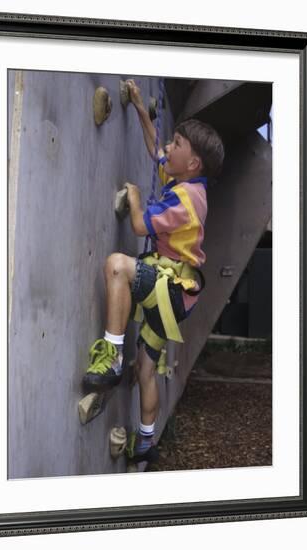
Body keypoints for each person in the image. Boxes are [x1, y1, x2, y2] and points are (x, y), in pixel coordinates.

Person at [83, 78, 225, 463]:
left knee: (117, 266)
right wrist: (143, 113)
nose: (169, 147)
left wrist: (132, 195)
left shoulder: (186, 200)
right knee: (147, 370)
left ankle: (111, 357)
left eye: (177, 144)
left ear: (193, 162)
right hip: (178, 294)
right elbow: (154, 150)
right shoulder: (187, 181)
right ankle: (145, 441)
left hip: (171, 287)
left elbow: (141, 226)